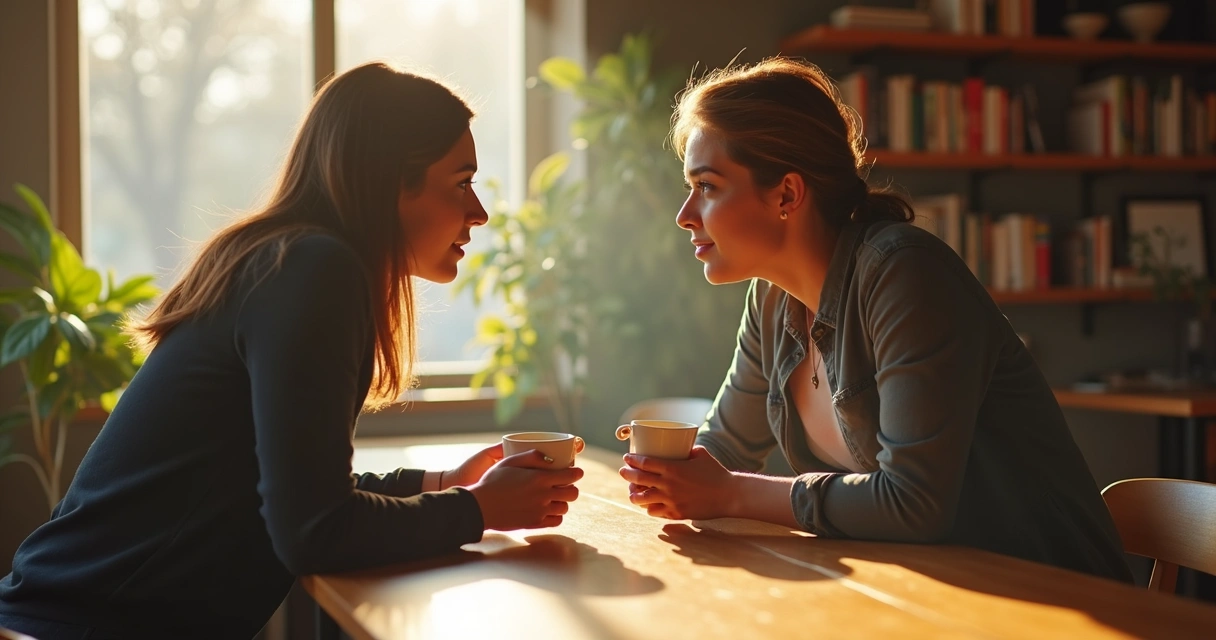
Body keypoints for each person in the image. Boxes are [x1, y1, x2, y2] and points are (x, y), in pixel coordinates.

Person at [0, 62, 582, 639]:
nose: (478, 212)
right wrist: (478, 510)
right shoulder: (314, 269)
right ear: (390, 181)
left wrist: (444, 482)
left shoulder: (290, 259)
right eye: (460, 183)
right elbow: (315, 530)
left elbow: (294, 491)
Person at [619, 58, 1133, 583]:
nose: (684, 213)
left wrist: (729, 492)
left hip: (1056, 596)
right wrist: (666, 469)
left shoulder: (905, 274)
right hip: (928, 591)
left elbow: (913, 502)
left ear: (787, 194)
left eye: (706, 186)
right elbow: (724, 448)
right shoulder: (772, 300)